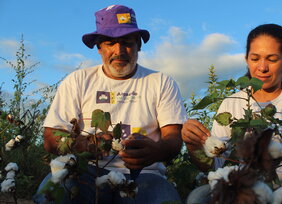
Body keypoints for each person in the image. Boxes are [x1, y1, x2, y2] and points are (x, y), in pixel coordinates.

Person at [33, 5, 187, 204]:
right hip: (84, 171)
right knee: (51, 195)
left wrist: (157, 151)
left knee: (164, 200)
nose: (119, 51)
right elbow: (50, 138)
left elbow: (174, 138)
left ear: (139, 45)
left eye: (127, 43)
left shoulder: (161, 82)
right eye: (110, 43)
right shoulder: (78, 80)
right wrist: (84, 144)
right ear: (99, 47)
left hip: (145, 175)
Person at [182, 24, 282, 187]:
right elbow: (216, 165)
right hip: (246, 192)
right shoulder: (231, 104)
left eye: (272, 59)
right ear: (246, 60)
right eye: (255, 58)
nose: (262, 67)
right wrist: (193, 145)